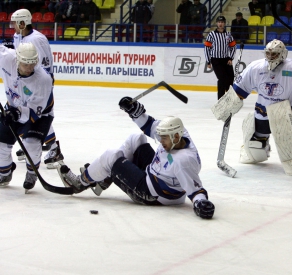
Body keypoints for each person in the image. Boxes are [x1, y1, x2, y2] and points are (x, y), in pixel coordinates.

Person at [57, 97, 215, 219]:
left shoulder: (183, 161)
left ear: (175, 137)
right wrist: (136, 112)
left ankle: (79, 182)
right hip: (155, 174)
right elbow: (151, 126)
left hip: (152, 194)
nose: (160, 141)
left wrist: (201, 204)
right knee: (136, 138)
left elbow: (195, 191)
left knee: (111, 156)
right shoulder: (178, 134)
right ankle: (104, 177)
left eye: (164, 138)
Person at [225, 39, 292, 162]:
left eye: (274, 54)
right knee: (255, 151)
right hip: (262, 113)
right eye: (268, 54)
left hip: (285, 114)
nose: (271, 57)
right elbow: (240, 88)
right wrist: (229, 103)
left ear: (282, 54)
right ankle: (261, 142)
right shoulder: (256, 67)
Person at [10, 9, 64, 169]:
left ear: (22, 22)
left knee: (40, 115)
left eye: (14, 22)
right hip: (25, 83)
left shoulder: (37, 39)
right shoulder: (19, 36)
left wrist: (44, 86)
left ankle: (54, 150)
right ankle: (30, 142)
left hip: (39, 84)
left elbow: (44, 66)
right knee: (26, 113)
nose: (12, 25)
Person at [0, 42, 54, 192]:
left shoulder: (43, 79)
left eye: (32, 64)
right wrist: (13, 111)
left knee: (31, 145)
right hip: (13, 107)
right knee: (1, 145)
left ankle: (32, 173)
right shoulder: (6, 58)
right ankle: (5, 172)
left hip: (40, 114)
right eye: (25, 64)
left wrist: (16, 113)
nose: (29, 68)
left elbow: (34, 111)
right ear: (17, 59)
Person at [204, 16, 237, 100]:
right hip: (216, 60)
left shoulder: (228, 34)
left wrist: (230, 58)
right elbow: (207, 48)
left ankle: (230, 97)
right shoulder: (211, 34)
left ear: (224, 23)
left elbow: (233, 46)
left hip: (226, 59)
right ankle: (221, 99)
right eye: (219, 22)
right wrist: (208, 61)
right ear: (216, 23)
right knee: (222, 78)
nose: (220, 24)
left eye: (222, 22)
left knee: (231, 78)